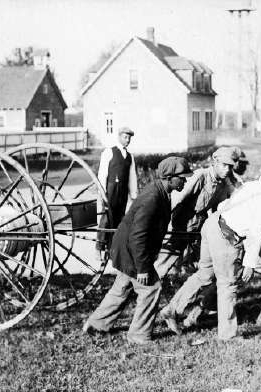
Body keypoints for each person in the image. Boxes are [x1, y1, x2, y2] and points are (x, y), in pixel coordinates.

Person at [160, 156, 261, 339]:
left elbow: (226, 204)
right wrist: (249, 264)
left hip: (213, 224)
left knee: (204, 274)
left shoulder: (252, 186)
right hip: (226, 236)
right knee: (228, 286)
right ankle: (228, 335)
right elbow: (256, 233)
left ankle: (171, 310)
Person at [82, 157, 192, 344]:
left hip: (127, 248)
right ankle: (138, 335)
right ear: (169, 177)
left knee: (121, 288)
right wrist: (142, 268)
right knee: (151, 288)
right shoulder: (152, 198)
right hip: (131, 250)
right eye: (182, 177)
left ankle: (96, 324)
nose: (185, 180)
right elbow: (138, 236)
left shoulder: (162, 191)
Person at [165, 147, 237, 274]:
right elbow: (178, 198)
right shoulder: (201, 176)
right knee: (170, 255)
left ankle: (179, 277)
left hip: (199, 222)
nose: (227, 170)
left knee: (191, 256)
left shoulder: (223, 183)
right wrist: (166, 221)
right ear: (215, 163)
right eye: (224, 165)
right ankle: (159, 280)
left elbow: (219, 209)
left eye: (230, 167)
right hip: (182, 218)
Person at [96, 127, 138, 258]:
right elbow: (102, 174)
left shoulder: (130, 156)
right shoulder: (109, 152)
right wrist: (102, 192)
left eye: (129, 138)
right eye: (125, 137)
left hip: (122, 192)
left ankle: (112, 249)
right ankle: (98, 247)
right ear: (119, 137)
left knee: (119, 219)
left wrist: (134, 195)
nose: (128, 140)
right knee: (107, 218)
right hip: (110, 190)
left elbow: (132, 177)